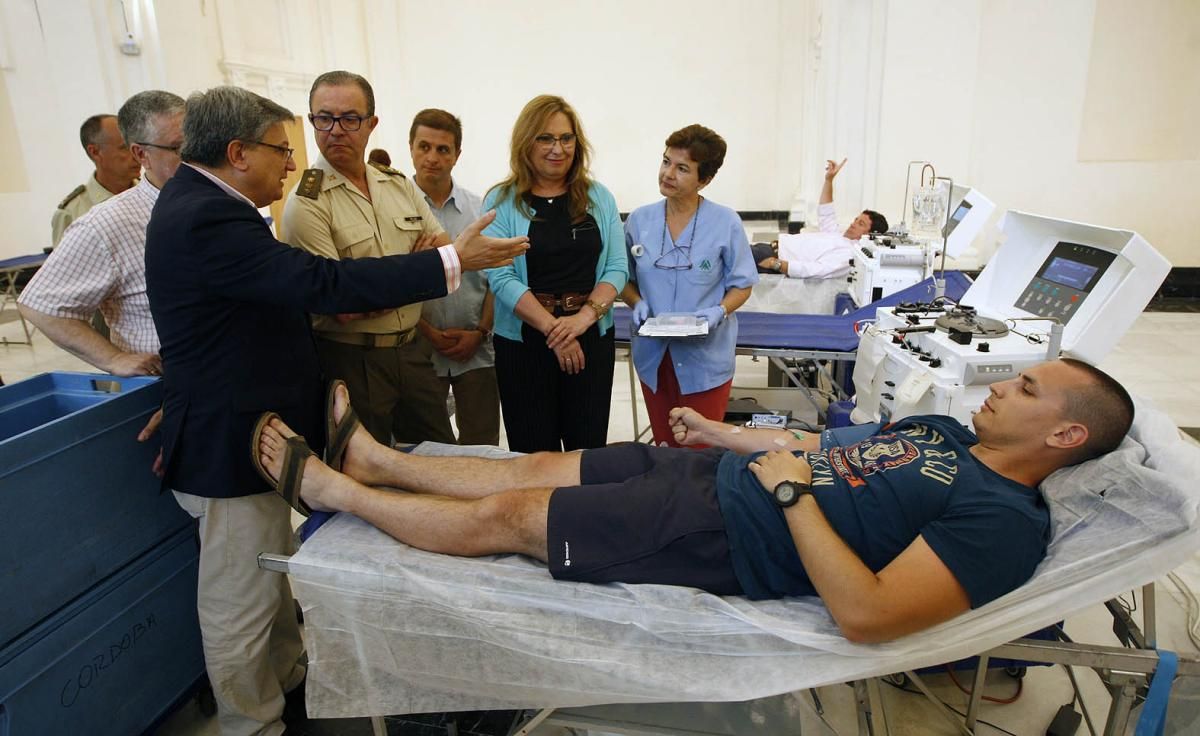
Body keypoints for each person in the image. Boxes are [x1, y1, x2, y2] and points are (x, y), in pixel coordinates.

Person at [255, 358, 1133, 644]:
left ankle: (331, 489)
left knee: (515, 520)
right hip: (710, 478)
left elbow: (867, 615)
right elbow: (814, 448)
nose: (999, 388)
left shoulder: (1004, 523)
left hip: (728, 532)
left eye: (1024, 390)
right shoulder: (945, 437)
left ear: (1064, 438)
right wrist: (726, 438)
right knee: (543, 464)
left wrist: (790, 498)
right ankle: (374, 456)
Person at [144, 85, 528, 736]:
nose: (291, 164)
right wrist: (450, 262)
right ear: (238, 153)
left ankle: (290, 685)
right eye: (280, 149)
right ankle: (252, 724)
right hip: (225, 444)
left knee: (270, 579)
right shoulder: (206, 216)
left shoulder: (212, 206)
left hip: (252, 429)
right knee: (238, 600)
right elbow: (322, 286)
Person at [280, 71, 455, 447]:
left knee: (440, 458)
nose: (336, 130)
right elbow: (340, 305)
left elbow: (443, 252)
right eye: (324, 118)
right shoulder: (307, 202)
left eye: (350, 119)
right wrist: (416, 271)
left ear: (371, 124)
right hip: (351, 360)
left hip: (411, 351)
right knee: (366, 478)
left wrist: (373, 285)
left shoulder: (396, 184)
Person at [482, 95, 628, 452]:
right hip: (524, 343)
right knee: (533, 456)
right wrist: (556, 331)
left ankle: (581, 511)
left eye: (566, 138)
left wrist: (581, 321)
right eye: (545, 138)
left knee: (586, 452)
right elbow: (500, 277)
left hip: (591, 338)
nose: (557, 148)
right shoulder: (501, 201)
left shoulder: (599, 197)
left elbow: (616, 268)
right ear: (525, 142)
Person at [20, 91, 185, 378]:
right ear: (141, 153)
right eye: (178, 148)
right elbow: (44, 303)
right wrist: (112, 358)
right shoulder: (100, 220)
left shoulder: (210, 204)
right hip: (162, 384)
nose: (194, 158)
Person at [621, 125, 758, 447]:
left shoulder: (725, 223)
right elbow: (622, 280)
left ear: (705, 179)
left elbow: (743, 285)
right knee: (665, 447)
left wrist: (719, 311)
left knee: (700, 451)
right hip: (654, 357)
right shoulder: (639, 221)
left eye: (682, 168)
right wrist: (635, 301)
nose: (668, 173)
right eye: (666, 161)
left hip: (705, 357)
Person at [410, 108, 500, 445]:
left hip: (477, 350)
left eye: (443, 149)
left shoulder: (481, 211)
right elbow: (388, 281)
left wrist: (480, 332)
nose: (432, 157)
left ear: (457, 155)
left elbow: (496, 279)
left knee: (482, 446)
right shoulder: (391, 210)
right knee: (427, 450)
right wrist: (429, 331)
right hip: (419, 351)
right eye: (424, 147)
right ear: (411, 148)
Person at [760, 158, 888, 279]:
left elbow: (817, 269)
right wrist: (829, 180)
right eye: (855, 219)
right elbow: (826, 212)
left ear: (870, 235)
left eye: (860, 224)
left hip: (773, 259)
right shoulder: (839, 235)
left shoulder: (849, 255)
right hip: (769, 247)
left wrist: (776, 264)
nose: (853, 224)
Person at [51, 114, 142, 246]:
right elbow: (67, 266)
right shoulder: (72, 213)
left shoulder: (154, 195)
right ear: (95, 152)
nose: (137, 155)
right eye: (124, 148)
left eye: (137, 146)